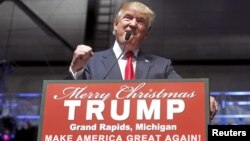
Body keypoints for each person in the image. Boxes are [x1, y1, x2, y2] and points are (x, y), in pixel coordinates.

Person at [68, 1, 218, 120]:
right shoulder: (91, 61)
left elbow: (184, 92)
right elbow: (67, 101)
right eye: (128, 18)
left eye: (140, 21)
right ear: (115, 24)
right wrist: (75, 70)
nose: (133, 24)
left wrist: (202, 98)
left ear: (146, 33)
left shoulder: (162, 66)